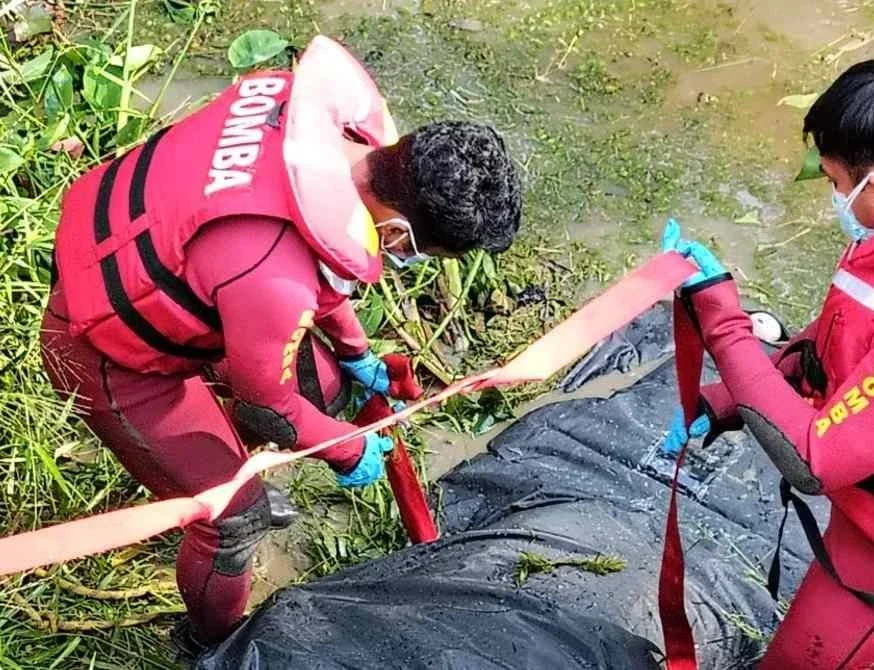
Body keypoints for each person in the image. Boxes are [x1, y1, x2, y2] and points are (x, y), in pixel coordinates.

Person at [39, 35, 521, 658]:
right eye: (422, 252)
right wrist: (349, 451)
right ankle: (210, 643)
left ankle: (231, 466)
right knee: (233, 520)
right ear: (400, 233)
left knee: (324, 383)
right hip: (107, 350)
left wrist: (355, 353)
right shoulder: (272, 278)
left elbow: (313, 251)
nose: (409, 259)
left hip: (170, 262)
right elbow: (265, 407)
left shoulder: (327, 140)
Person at [661, 58, 874, 668]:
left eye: (836, 182)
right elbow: (841, 340)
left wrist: (723, 324)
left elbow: (814, 461)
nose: (834, 196)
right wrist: (727, 402)